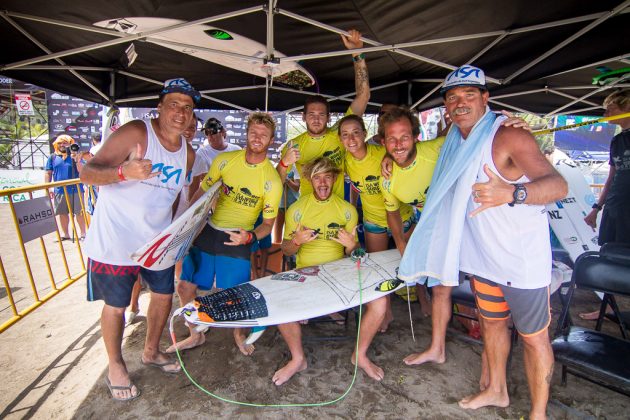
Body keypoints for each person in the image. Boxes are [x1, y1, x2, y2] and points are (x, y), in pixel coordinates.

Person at [397, 65, 567, 419]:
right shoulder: (456, 142)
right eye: (452, 97)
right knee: (491, 325)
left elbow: (558, 186)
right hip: (483, 261)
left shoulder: (508, 136)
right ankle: (496, 390)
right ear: (446, 106)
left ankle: (538, 413)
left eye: (469, 95)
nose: (460, 103)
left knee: (535, 338)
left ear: (486, 98)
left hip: (520, 263)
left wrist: (512, 192)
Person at [80, 77, 198, 401]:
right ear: (159, 107)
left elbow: (175, 196)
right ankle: (116, 365)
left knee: (163, 295)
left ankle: (152, 350)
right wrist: (123, 173)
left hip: (156, 243)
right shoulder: (137, 132)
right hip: (115, 239)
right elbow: (88, 172)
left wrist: (172, 230)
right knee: (116, 306)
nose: (181, 111)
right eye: (174, 104)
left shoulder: (188, 152)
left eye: (187, 107)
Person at [168, 112, 282, 355]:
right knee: (185, 286)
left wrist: (249, 238)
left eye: (263, 134)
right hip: (209, 230)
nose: (257, 137)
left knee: (235, 295)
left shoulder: (272, 180)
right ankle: (194, 333)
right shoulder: (226, 160)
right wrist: (188, 226)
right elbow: (201, 194)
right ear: (247, 133)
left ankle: (239, 335)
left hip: (238, 238)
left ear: (271, 140)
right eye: (254, 132)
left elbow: (267, 226)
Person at [274, 157, 387, 385]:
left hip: (339, 275)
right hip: (305, 274)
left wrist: (353, 246)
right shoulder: (296, 210)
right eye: (317, 177)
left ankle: (360, 355)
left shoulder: (347, 211)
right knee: (278, 302)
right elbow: (285, 251)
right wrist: (295, 241)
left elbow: (356, 257)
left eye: (327, 176)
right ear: (310, 180)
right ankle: (298, 359)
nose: (323, 182)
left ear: (335, 179)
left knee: (381, 302)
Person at [338, 114, 417, 331]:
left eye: (355, 132)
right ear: (341, 140)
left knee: (411, 259)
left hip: (401, 214)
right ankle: (386, 311)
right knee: (379, 269)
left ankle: (424, 300)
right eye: (345, 135)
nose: (351, 139)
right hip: (373, 219)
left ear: (364, 134)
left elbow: (407, 159)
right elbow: (355, 185)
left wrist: (389, 158)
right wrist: (352, 206)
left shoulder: (382, 153)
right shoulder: (345, 160)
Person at [277, 29, 370, 198]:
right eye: (311, 114)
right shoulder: (294, 145)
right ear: (303, 116)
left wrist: (358, 54)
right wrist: (284, 163)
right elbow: (277, 182)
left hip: (338, 212)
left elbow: (363, 96)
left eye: (321, 115)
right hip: (308, 215)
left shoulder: (341, 134)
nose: (316, 119)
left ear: (328, 117)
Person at [380, 107, 445, 316]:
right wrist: (400, 242)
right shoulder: (387, 178)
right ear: (383, 143)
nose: (398, 145)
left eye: (405, 137)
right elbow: (393, 212)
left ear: (416, 137)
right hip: (427, 223)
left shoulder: (436, 149)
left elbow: (464, 133)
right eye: (392, 139)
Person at [581, 88, 630, 320]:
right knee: (609, 255)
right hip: (614, 207)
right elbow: (612, 177)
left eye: (610, 109)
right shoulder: (618, 140)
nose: (605, 114)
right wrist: (596, 208)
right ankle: (609, 307)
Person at [187, 117, 241, 201]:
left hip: (235, 194)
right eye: (207, 133)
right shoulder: (202, 153)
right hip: (213, 197)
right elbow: (203, 178)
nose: (210, 136)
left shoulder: (237, 150)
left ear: (223, 132)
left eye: (213, 132)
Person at [45, 134, 87, 241]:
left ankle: (83, 233)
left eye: (65, 143)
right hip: (59, 190)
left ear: (70, 144)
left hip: (76, 189)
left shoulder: (76, 156)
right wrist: (47, 187)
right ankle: (65, 234)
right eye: (60, 143)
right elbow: (48, 173)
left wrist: (76, 160)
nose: (62, 145)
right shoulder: (52, 157)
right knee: (62, 213)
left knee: (79, 212)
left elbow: (82, 171)